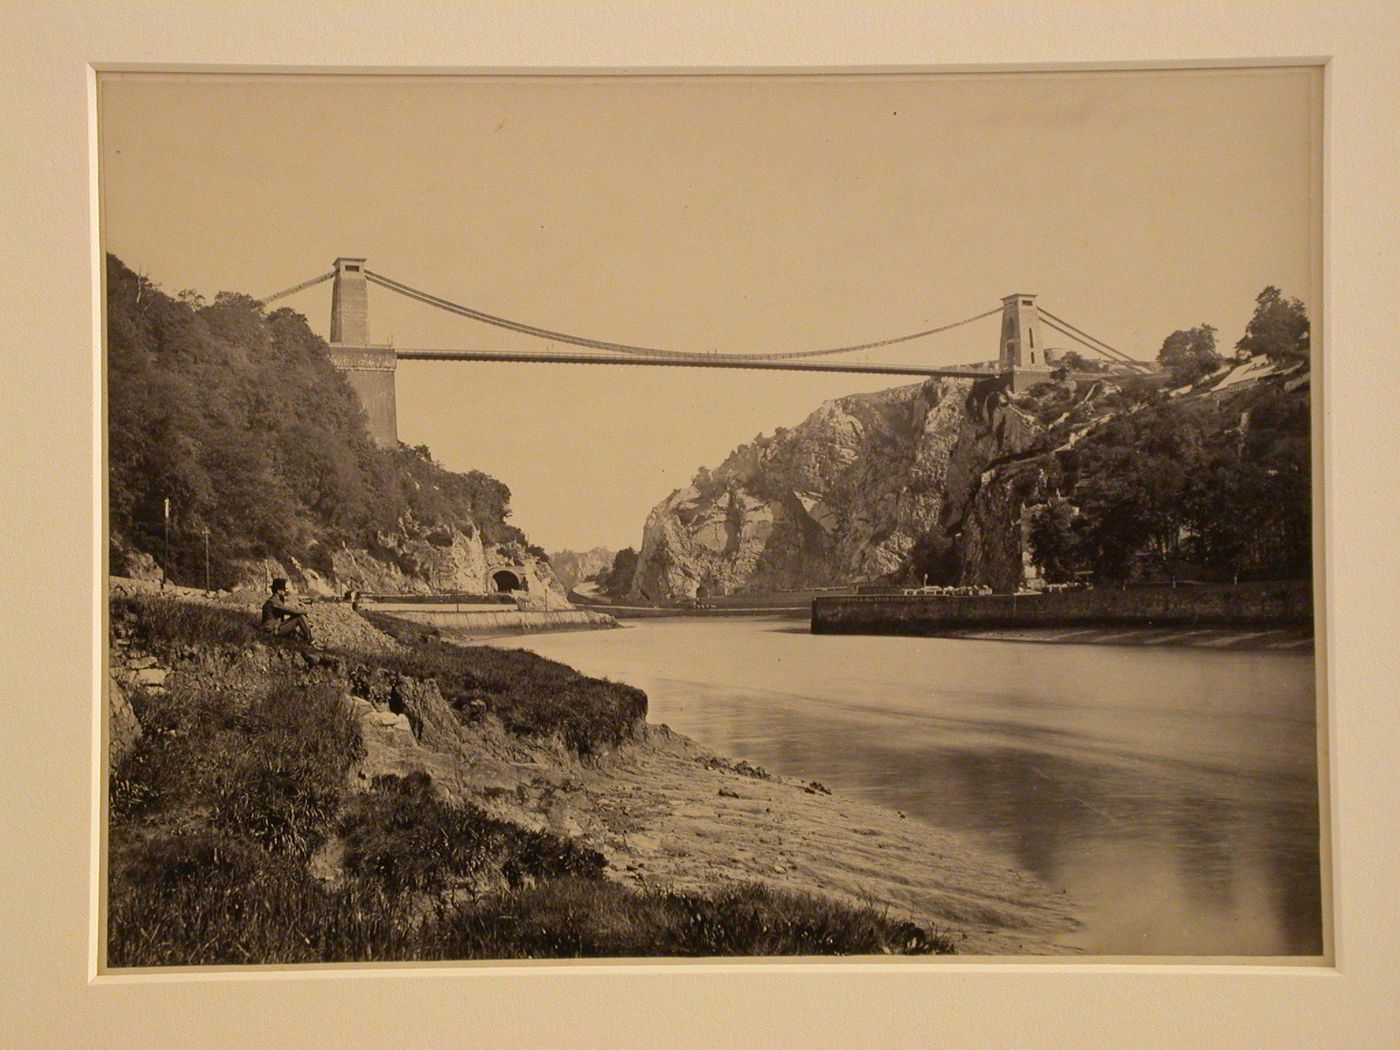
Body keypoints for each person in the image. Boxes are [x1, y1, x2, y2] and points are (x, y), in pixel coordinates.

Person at [261, 578, 315, 644]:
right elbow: (290, 610)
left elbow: (288, 612)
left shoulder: (275, 601)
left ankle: (306, 639)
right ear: (278, 591)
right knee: (300, 617)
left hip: (274, 628)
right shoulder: (274, 602)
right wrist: (306, 611)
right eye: (283, 590)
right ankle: (309, 639)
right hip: (272, 630)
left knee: (297, 623)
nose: (285, 592)